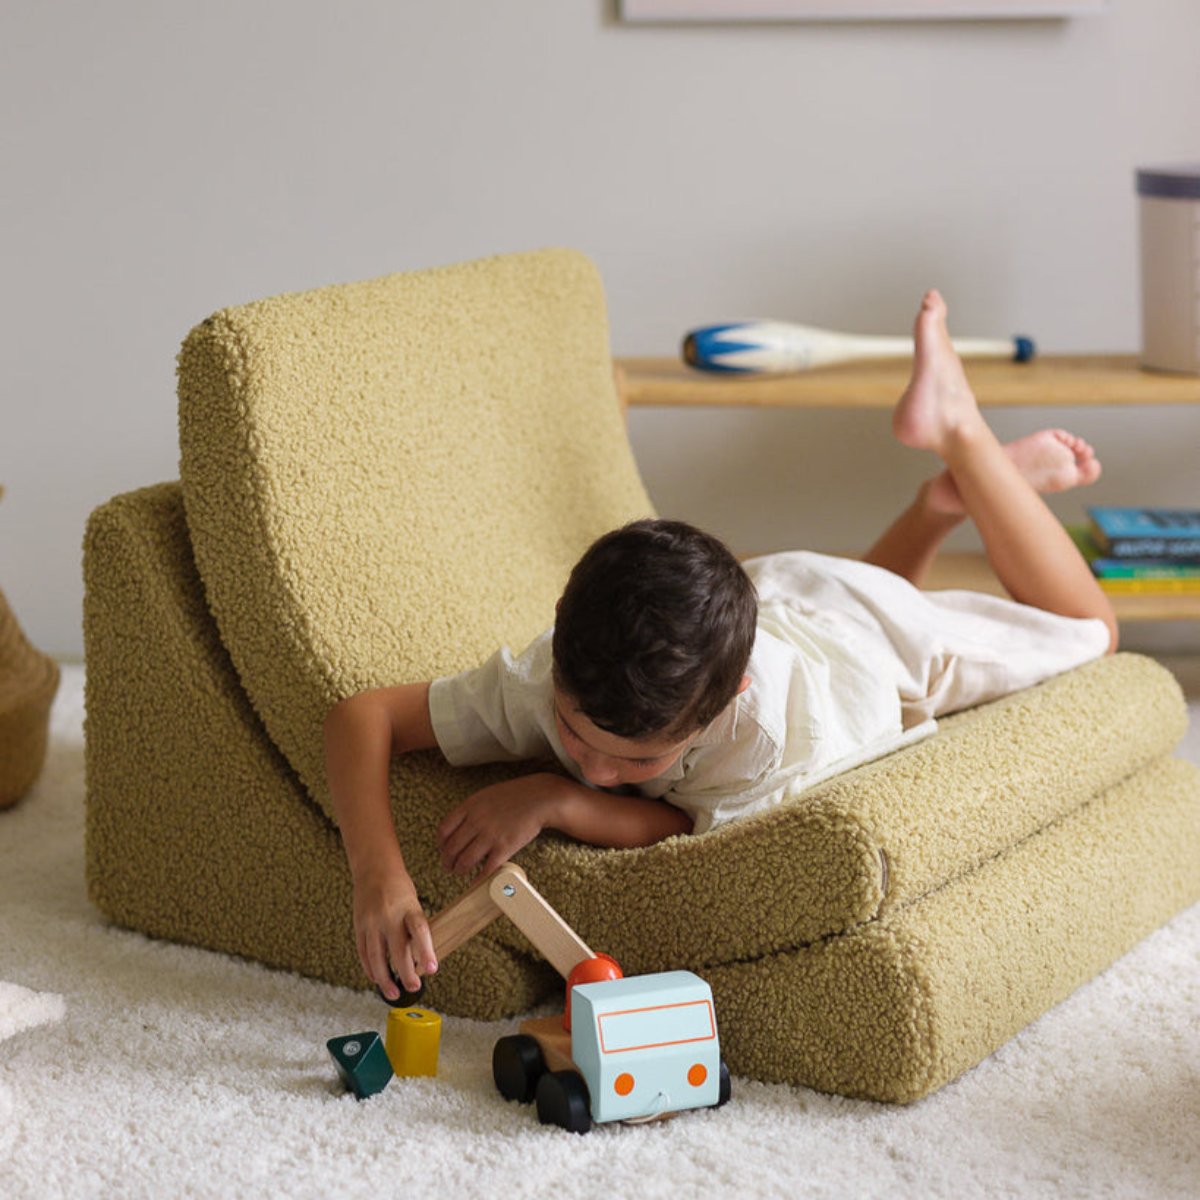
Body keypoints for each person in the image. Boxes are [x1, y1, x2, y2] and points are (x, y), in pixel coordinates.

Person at [324, 289, 1118, 1002]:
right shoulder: (558, 667)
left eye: (637, 763)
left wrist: (555, 796)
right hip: (777, 595)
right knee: (851, 601)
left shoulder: (762, 743)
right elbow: (363, 717)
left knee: (1091, 634)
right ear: (561, 631)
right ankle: (943, 501)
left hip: (871, 641)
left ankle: (960, 434)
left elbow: (680, 828)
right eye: (571, 733)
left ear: (729, 700)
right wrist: (377, 875)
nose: (596, 768)